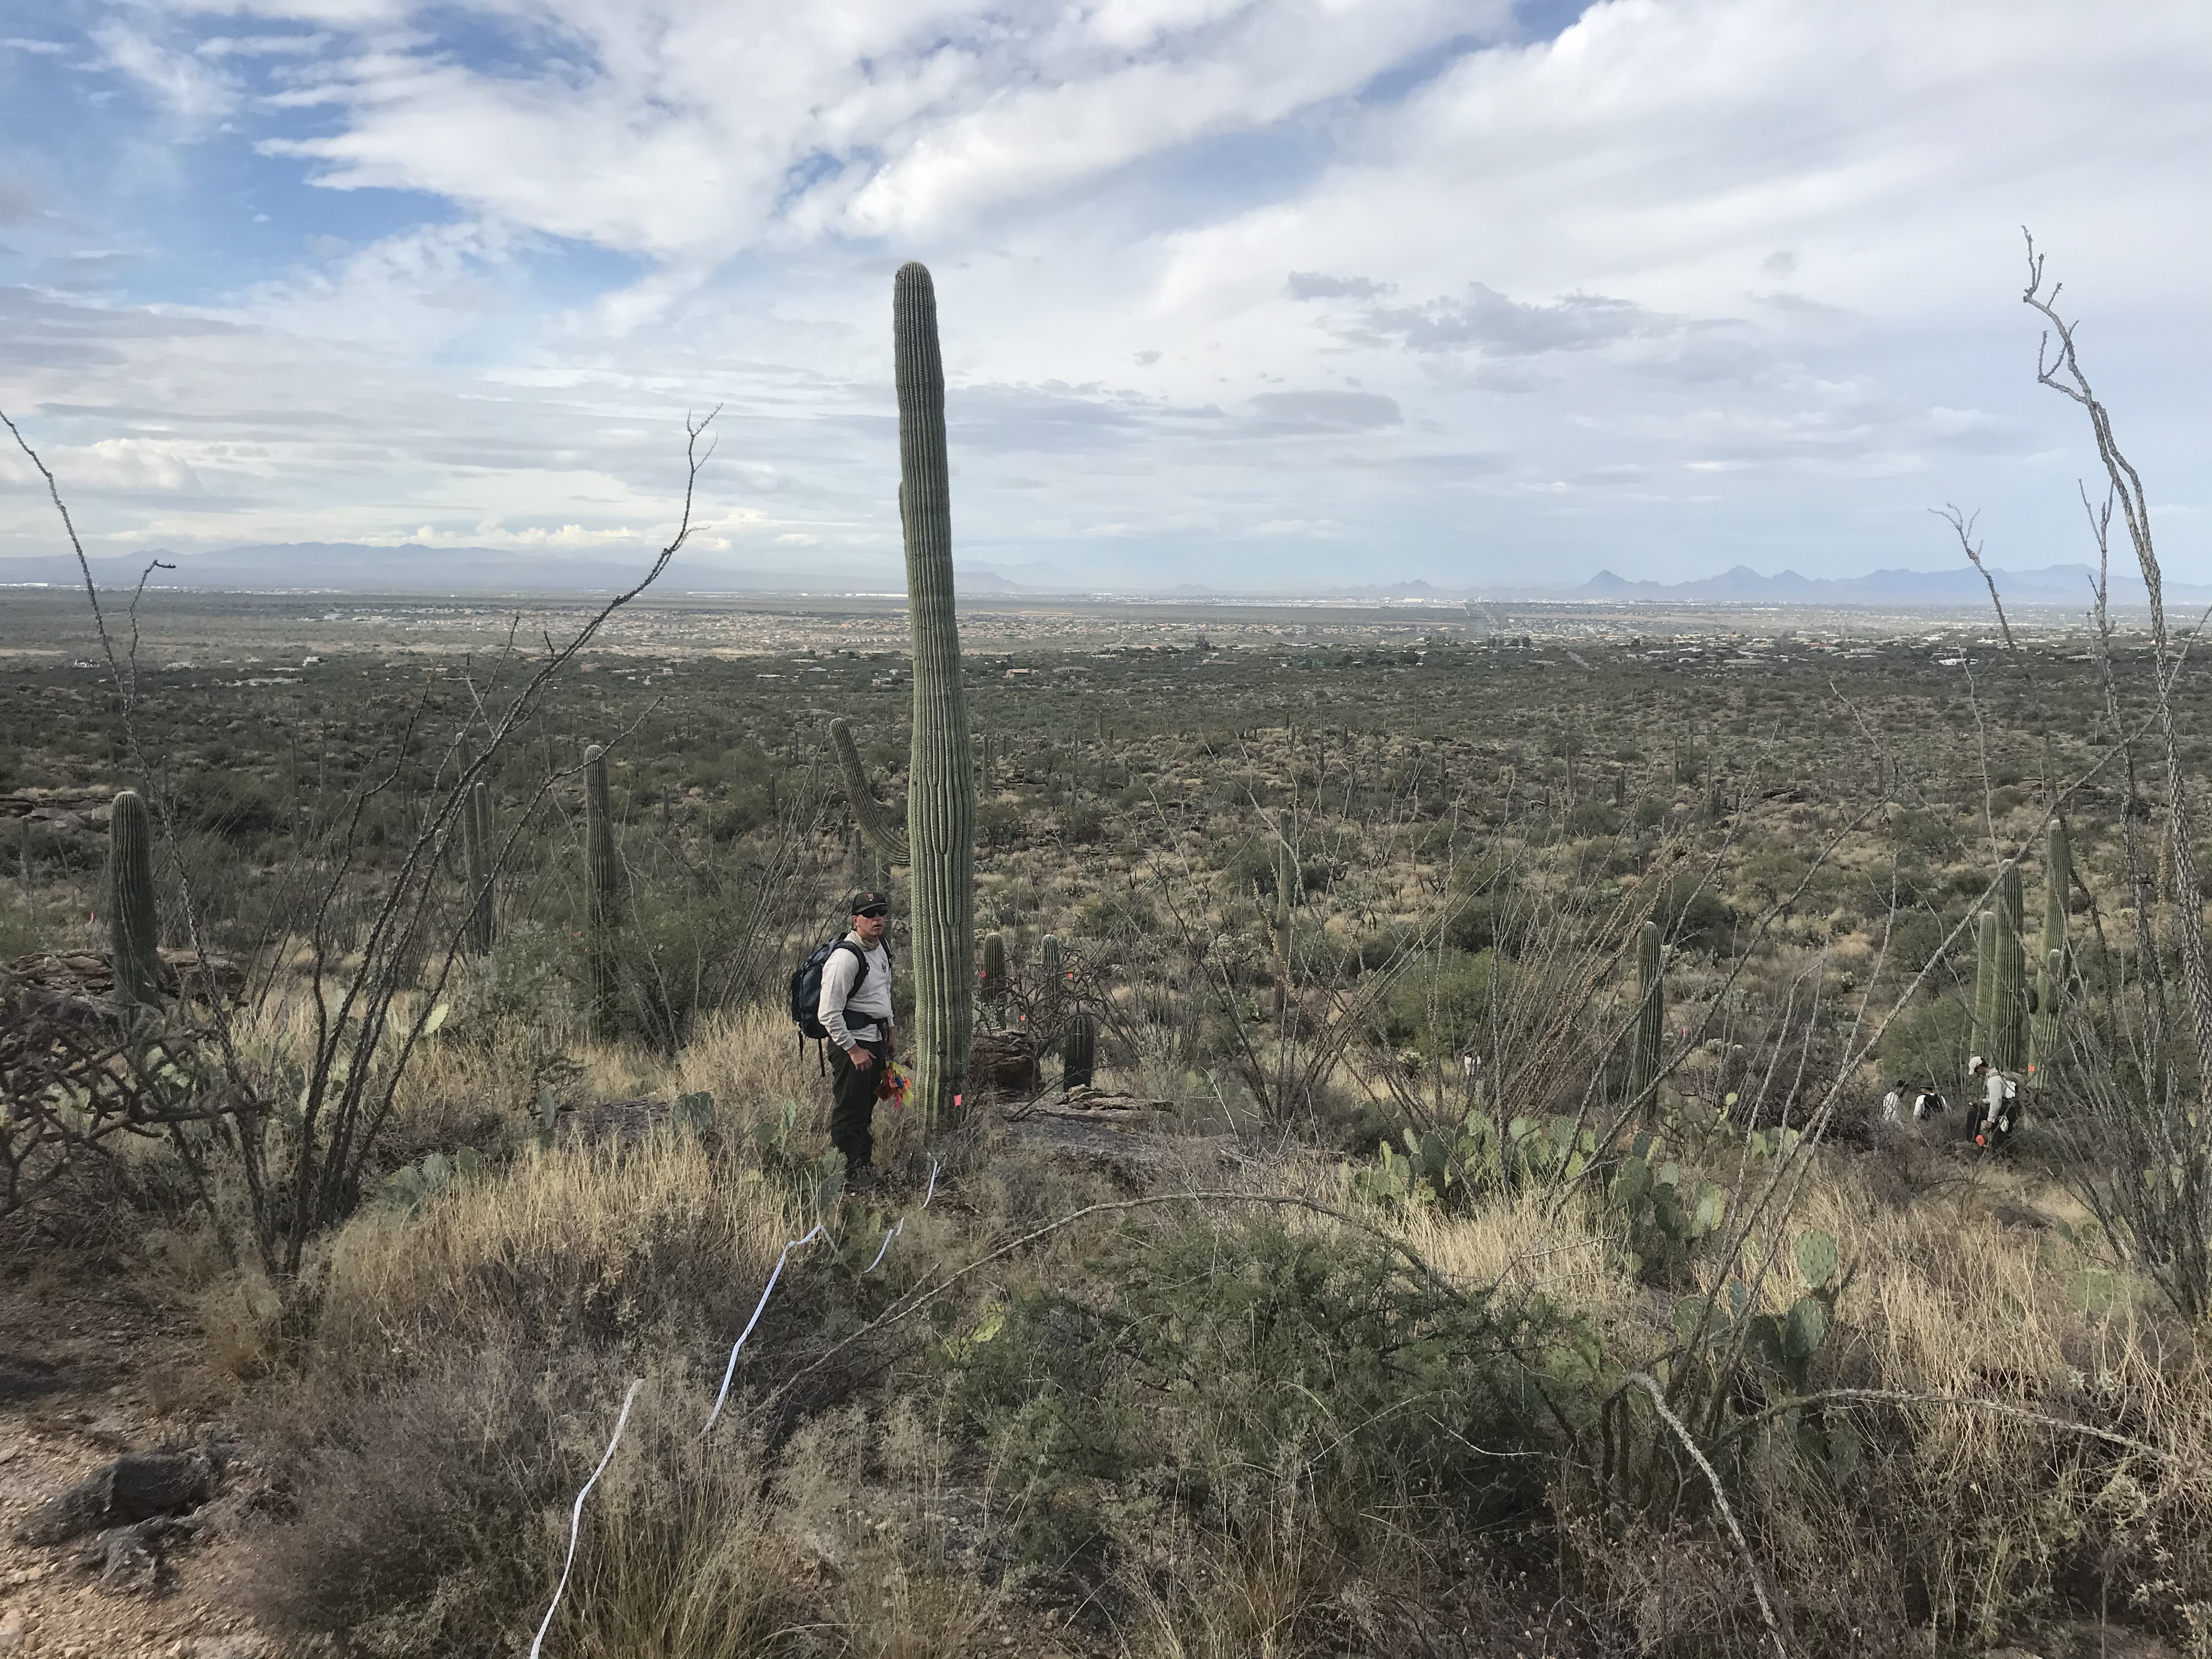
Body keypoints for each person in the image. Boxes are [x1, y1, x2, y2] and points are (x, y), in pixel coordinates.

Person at [819, 890, 896, 1185]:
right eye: (869, 914)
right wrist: (853, 1050)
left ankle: (861, 1165)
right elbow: (828, 1014)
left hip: (875, 1040)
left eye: (881, 913)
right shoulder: (844, 959)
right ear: (855, 920)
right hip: (853, 1044)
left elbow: (882, 992)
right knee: (849, 1111)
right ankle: (845, 1175)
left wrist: (890, 1031)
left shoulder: (881, 948)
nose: (877, 919)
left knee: (865, 1108)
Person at [1967, 1054, 2017, 1150]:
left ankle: (1972, 1140)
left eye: (1977, 1070)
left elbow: (1996, 1102)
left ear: (1980, 1067)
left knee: (1973, 1112)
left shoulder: (1994, 1080)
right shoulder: (1996, 1076)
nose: (1977, 1074)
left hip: (2004, 1109)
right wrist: (1982, 1101)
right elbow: (1993, 1098)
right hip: (2007, 1107)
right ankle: (1976, 1141)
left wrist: (1990, 1120)